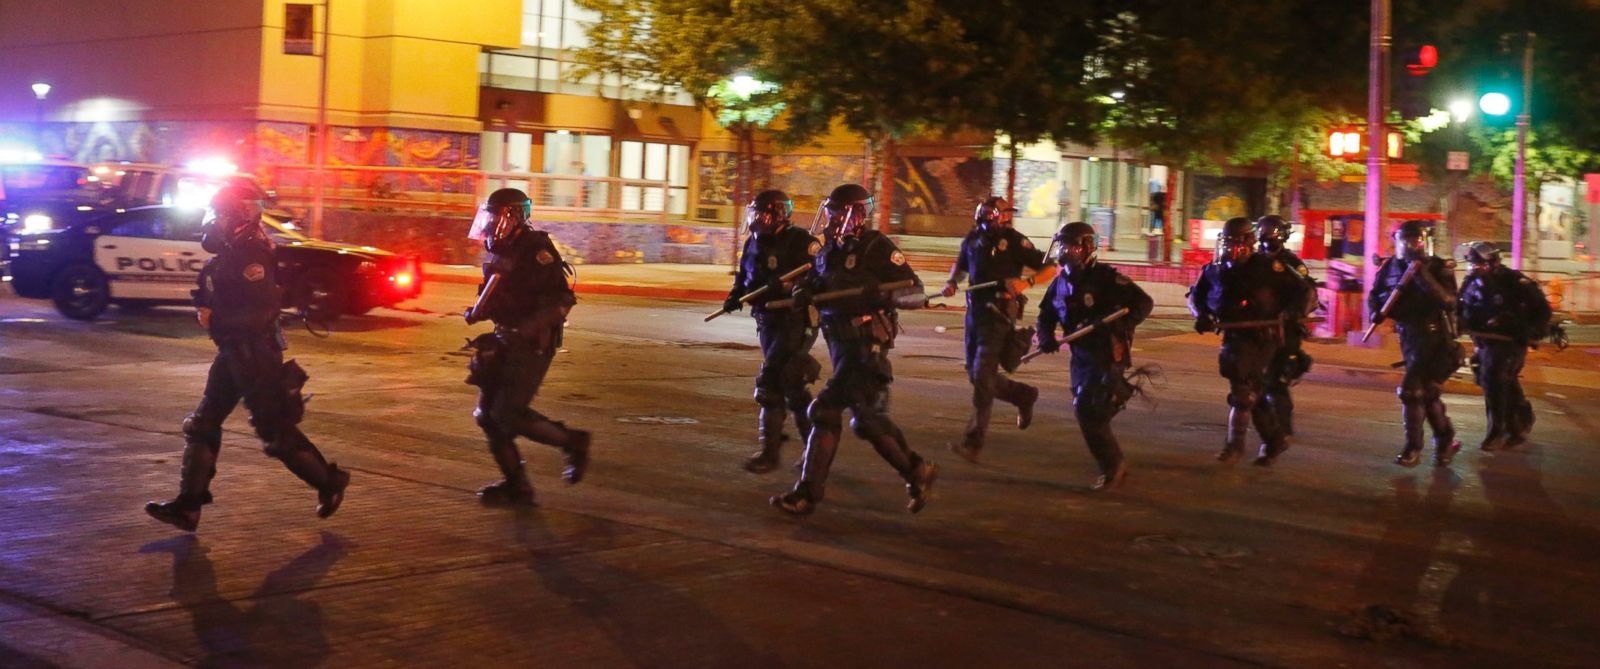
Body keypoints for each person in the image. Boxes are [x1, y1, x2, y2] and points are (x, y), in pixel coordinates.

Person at [145, 185, 349, 531]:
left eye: (222, 213)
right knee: (203, 424)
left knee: (275, 432)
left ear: (240, 215)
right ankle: (188, 507)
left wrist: (216, 319)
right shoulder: (232, 251)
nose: (215, 221)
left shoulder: (253, 254)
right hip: (233, 352)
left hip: (255, 354)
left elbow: (264, 309)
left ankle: (330, 483)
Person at [771, 183, 937, 515]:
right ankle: (917, 470)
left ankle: (807, 494)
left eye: (835, 214)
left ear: (855, 214)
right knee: (867, 421)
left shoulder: (876, 246)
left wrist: (880, 294)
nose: (830, 220)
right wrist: (803, 291)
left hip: (865, 346)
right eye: (829, 213)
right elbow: (815, 282)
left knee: (824, 411)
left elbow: (916, 293)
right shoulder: (830, 251)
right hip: (840, 345)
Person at [463, 187, 590, 505]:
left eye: (494, 216)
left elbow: (562, 300)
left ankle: (572, 442)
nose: (489, 223)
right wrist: (479, 311)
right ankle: (516, 486)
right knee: (487, 415)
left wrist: (527, 329)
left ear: (512, 215)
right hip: (504, 337)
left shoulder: (536, 249)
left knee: (507, 413)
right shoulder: (500, 248)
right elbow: (497, 293)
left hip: (531, 343)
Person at [1035, 222, 1153, 490]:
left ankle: (1113, 466)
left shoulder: (1105, 278)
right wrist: (1046, 337)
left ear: (1087, 248)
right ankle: (1116, 398)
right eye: (1062, 246)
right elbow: (1046, 316)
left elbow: (1143, 303)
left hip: (1108, 353)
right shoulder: (1060, 283)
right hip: (1081, 357)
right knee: (1088, 412)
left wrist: (1118, 324)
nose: (1065, 252)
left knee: (1086, 409)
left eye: (1071, 247)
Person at [1188, 217, 1314, 466]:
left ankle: (1234, 447)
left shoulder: (1270, 269)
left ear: (1249, 243)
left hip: (1262, 337)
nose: (1231, 249)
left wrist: (1290, 313)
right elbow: (1195, 296)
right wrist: (1201, 315)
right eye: (1227, 243)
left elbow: (1305, 293)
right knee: (1253, 391)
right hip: (1233, 336)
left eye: (1236, 243)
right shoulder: (1215, 270)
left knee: (1243, 392)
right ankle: (1275, 440)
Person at [722, 190, 822, 473]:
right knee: (792, 386)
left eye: (763, 214)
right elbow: (744, 276)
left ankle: (770, 452)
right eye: (755, 214)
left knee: (770, 382)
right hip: (767, 320)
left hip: (795, 320)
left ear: (779, 214)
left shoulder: (801, 242)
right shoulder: (753, 242)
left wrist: (792, 286)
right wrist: (735, 295)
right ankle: (813, 448)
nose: (757, 220)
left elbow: (820, 275)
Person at [941, 196, 1046, 463]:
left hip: (999, 315)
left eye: (993, 216)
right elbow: (961, 264)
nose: (989, 222)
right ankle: (1024, 395)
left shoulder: (1014, 241)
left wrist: (1025, 283)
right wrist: (952, 282)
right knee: (976, 376)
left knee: (982, 375)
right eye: (986, 217)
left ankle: (973, 442)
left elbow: (1050, 267)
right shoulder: (974, 238)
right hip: (974, 315)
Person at [1367, 220, 1462, 467]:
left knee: (1411, 391)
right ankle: (1445, 439)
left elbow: (1450, 301)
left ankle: (1413, 447)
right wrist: (1375, 311)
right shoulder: (1390, 268)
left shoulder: (1439, 268)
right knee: (1428, 394)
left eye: (1415, 241)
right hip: (1408, 338)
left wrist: (1421, 275)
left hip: (1435, 339)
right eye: (1405, 240)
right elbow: (1376, 295)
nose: (1410, 246)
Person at [1456, 241, 1552, 451]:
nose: (1474, 268)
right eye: (1472, 264)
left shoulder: (1514, 282)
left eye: (1478, 264)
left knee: (1495, 378)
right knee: (1494, 380)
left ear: (1492, 262)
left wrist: (1527, 331)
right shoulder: (1472, 281)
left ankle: (1497, 431)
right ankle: (1519, 421)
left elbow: (1542, 311)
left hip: (1509, 342)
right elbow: (1461, 307)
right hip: (1484, 341)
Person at [1255, 215, 1319, 438]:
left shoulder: (1291, 263)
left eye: (1270, 231)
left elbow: (1309, 293)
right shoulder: (1253, 261)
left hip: (1284, 330)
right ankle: (1264, 426)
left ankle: (1283, 429)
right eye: (1263, 231)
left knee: (1276, 380)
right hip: (1258, 330)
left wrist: (1294, 312)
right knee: (1254, 382)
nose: (1266, 236)